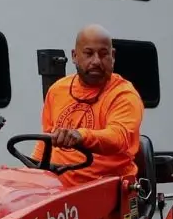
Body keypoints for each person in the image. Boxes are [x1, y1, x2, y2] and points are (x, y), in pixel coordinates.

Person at [38, 24, 145, 186]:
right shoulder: (57, 90)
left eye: (103, 54)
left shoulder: (124, 94)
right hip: (58, 193)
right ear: (74, 56)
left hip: (108, 191)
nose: (96, 61)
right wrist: (31, 174)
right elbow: (45, 141)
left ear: (113, 56)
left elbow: (118, 138)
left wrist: (80, 136)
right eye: (88, 54)